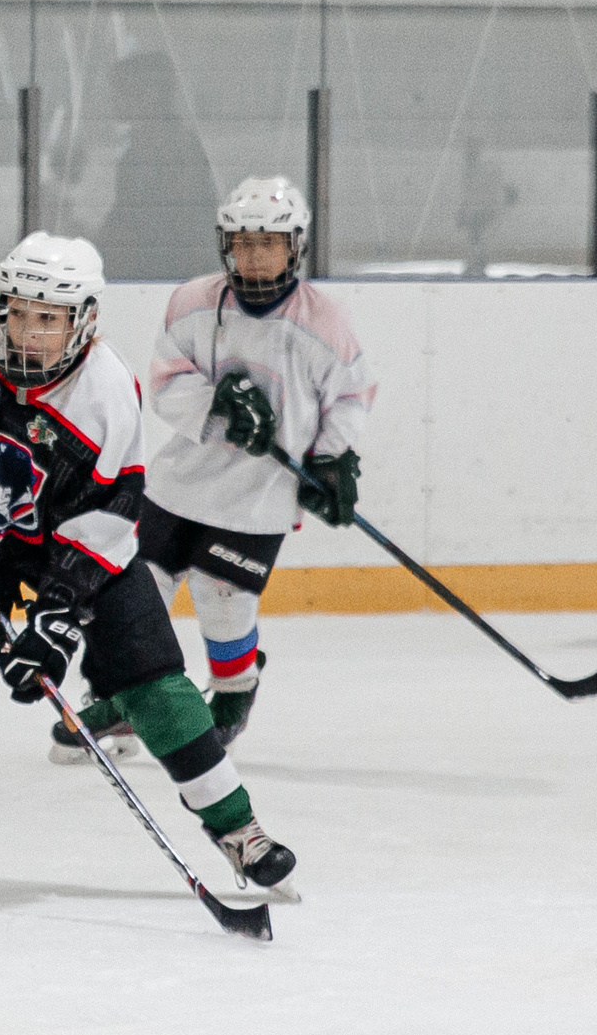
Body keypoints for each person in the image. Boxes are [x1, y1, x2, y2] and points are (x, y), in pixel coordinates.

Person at [0, 231, 298, 895]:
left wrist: (56, 618)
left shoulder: (105, 396)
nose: (27, 332)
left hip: (86, 549)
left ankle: (238, 828)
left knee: (158, 690)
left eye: (47, 318)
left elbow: (110, 514)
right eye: (14, 311)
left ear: (83, 322)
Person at [55, 176, 374, 758]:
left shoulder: (324, 322)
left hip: (259, 496)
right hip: (178, 484)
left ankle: (233, 693)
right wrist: (219, 407)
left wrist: (330, 462)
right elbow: (167, 380)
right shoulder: (194, 300)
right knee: (136, 591)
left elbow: (350, 396)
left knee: (224, 598)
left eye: (269, 243)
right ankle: (128, 697)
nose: (254, 255)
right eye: (243, 242)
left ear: (294, 246)